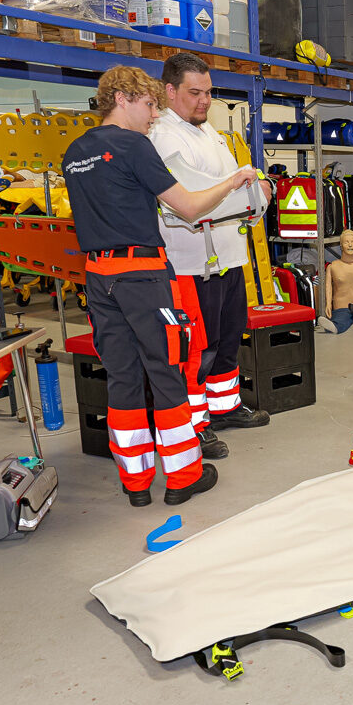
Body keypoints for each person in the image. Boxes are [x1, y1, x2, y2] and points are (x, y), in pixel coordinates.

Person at [63, 65, 257, 507]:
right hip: (143, 276)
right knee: (167, 372)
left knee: (123, 378)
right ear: (122, 99)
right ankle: (184, 476)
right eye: (150, 104)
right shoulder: (134, 145)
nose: (154, 114)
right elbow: (187, 207)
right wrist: (233, 181)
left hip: (98, 277)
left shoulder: (75, 152)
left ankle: (135, 484)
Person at [149, 53, 271, 463]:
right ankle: (193, 424)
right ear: (170, 91)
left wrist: (255, 191)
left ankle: (224, 407)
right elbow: (191, 202)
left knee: (228, 338)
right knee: (197, 349)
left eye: (209, 93)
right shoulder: (164, 137)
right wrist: (239, 189)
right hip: (190, 264)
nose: (204, 101)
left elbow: (233, 187)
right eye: (195, 92)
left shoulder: (209, 132)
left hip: (227, 257)